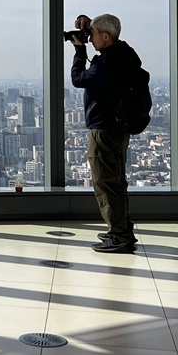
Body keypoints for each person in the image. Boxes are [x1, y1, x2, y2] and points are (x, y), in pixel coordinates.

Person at [69, 13, 141, 254]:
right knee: (116, 179)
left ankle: (119, 235)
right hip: (119, 127)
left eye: (93, 36)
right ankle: (121, 228)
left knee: (105, 181)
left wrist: (79, 51)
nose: (90, 40)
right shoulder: (125, 53)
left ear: (106, 36)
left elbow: (79, 79)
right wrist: (90, 25)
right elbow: (107, 43)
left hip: (105, 128)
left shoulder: (108, 63)